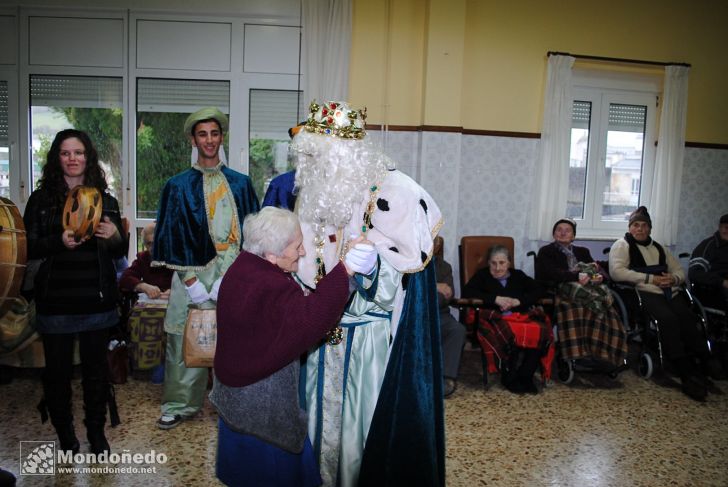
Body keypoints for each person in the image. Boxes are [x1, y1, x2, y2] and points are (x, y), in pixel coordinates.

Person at [291, 100, 444, 486]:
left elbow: (406, 275)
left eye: (317, 154)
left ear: (345, 152)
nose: (311, 164)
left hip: (368, 342)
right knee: (313, 426)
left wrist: (375, 266)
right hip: (318, 338)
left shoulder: (398, 194)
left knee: (362, 434)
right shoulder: (314, 192)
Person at [210, 207, 372, 487]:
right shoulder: (269, 284)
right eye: (297, 247)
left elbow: (275, 317)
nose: (303, 253)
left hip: (235, 399)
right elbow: (310, 321)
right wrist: (346, 270)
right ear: (272, 255)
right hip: (261, 410)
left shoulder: (243, 268)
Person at [152, 107, 259, 429]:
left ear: (221, 137)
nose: (209, 140)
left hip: (234, 271)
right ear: (193, 139)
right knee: (185, 336)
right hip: (191, 274)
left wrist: (232, 278)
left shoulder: (241, 183)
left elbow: (254, 235)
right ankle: (179, 403)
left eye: (214, 133)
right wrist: (193, 283)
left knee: (237, 338)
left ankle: (237, 403)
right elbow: (171, 237)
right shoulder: (177, 185)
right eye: (203, 134)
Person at [23, 129, 127, 454]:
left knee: (96, 375)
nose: (72, 159)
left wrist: (113, 236)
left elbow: (118, 251)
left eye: (78, 153)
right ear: (57, 158)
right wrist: (58, 242)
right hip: (55, 304)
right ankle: (66, 436)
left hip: (96, 303)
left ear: (88, 157)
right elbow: (29, 247)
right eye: (66, 153)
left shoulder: (105, 201)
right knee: (57, 376)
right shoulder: (40, 200)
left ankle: (96, 433)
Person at [609, 206, 715, 401]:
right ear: (630, 227)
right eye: (635, 225)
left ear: (650, 228)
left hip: (669, 291)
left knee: (688, 319)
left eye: (643, 226)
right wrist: (651, 279)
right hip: (644, 292)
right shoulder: (622, 245)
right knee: (667, 320)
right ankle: (684, 374)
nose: (639, 229)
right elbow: (617, 272)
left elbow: (680, 271)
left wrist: (673, 279)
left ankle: (702, 366)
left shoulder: (659, 247)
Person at [536, 218, 628, 368]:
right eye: (559, 229)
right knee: (576, 307)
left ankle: (604, 353)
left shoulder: (582, 251)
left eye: (568, 230)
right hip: (560, 290)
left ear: (573, 236)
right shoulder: (546, 251)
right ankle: (578, 354)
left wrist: (599, 278)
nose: (563, 232)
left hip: (589, 290)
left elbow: (595, 270)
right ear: (554, 234)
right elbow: (550, 273)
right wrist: (576, 276)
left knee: (606, 308)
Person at [463, 245, 551, 394]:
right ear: (488, 263)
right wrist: (495, 299)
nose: (497, 267)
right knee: (509, 333)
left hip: (519, 317)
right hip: (495, 319)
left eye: (502, 263)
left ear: (509, 263)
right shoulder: (482, 276)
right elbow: (467, 291)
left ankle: (526, 376)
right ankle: (509, 378)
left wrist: (520, 301)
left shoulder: (518, 276)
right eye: (493, 263)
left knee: (540, 330)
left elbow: (540, 290)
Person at [433, 236, 466, 397]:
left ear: (438, 245)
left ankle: (446, 378)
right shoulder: (410, 263)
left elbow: (447, 295)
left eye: (434, 241)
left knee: (457, 329)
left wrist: (427, 292)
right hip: (415, 313)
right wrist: (435, 286)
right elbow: (406, 291)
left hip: (440, 313)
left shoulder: (444, 267)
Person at [119, 223, 173, 299]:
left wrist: (177, 291)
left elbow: (193, 281)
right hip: (153, 303)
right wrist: (143, 286)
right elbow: (125, 278)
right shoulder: (143, 258)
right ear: (145, 245)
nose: (153, 248)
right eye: (149, 243)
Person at [689, 213, 728, 312]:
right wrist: (722, 282)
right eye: (726, 227)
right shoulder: (708, 246)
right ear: (720, 227)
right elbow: (695, 273)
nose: (727, 230)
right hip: (713, 289)